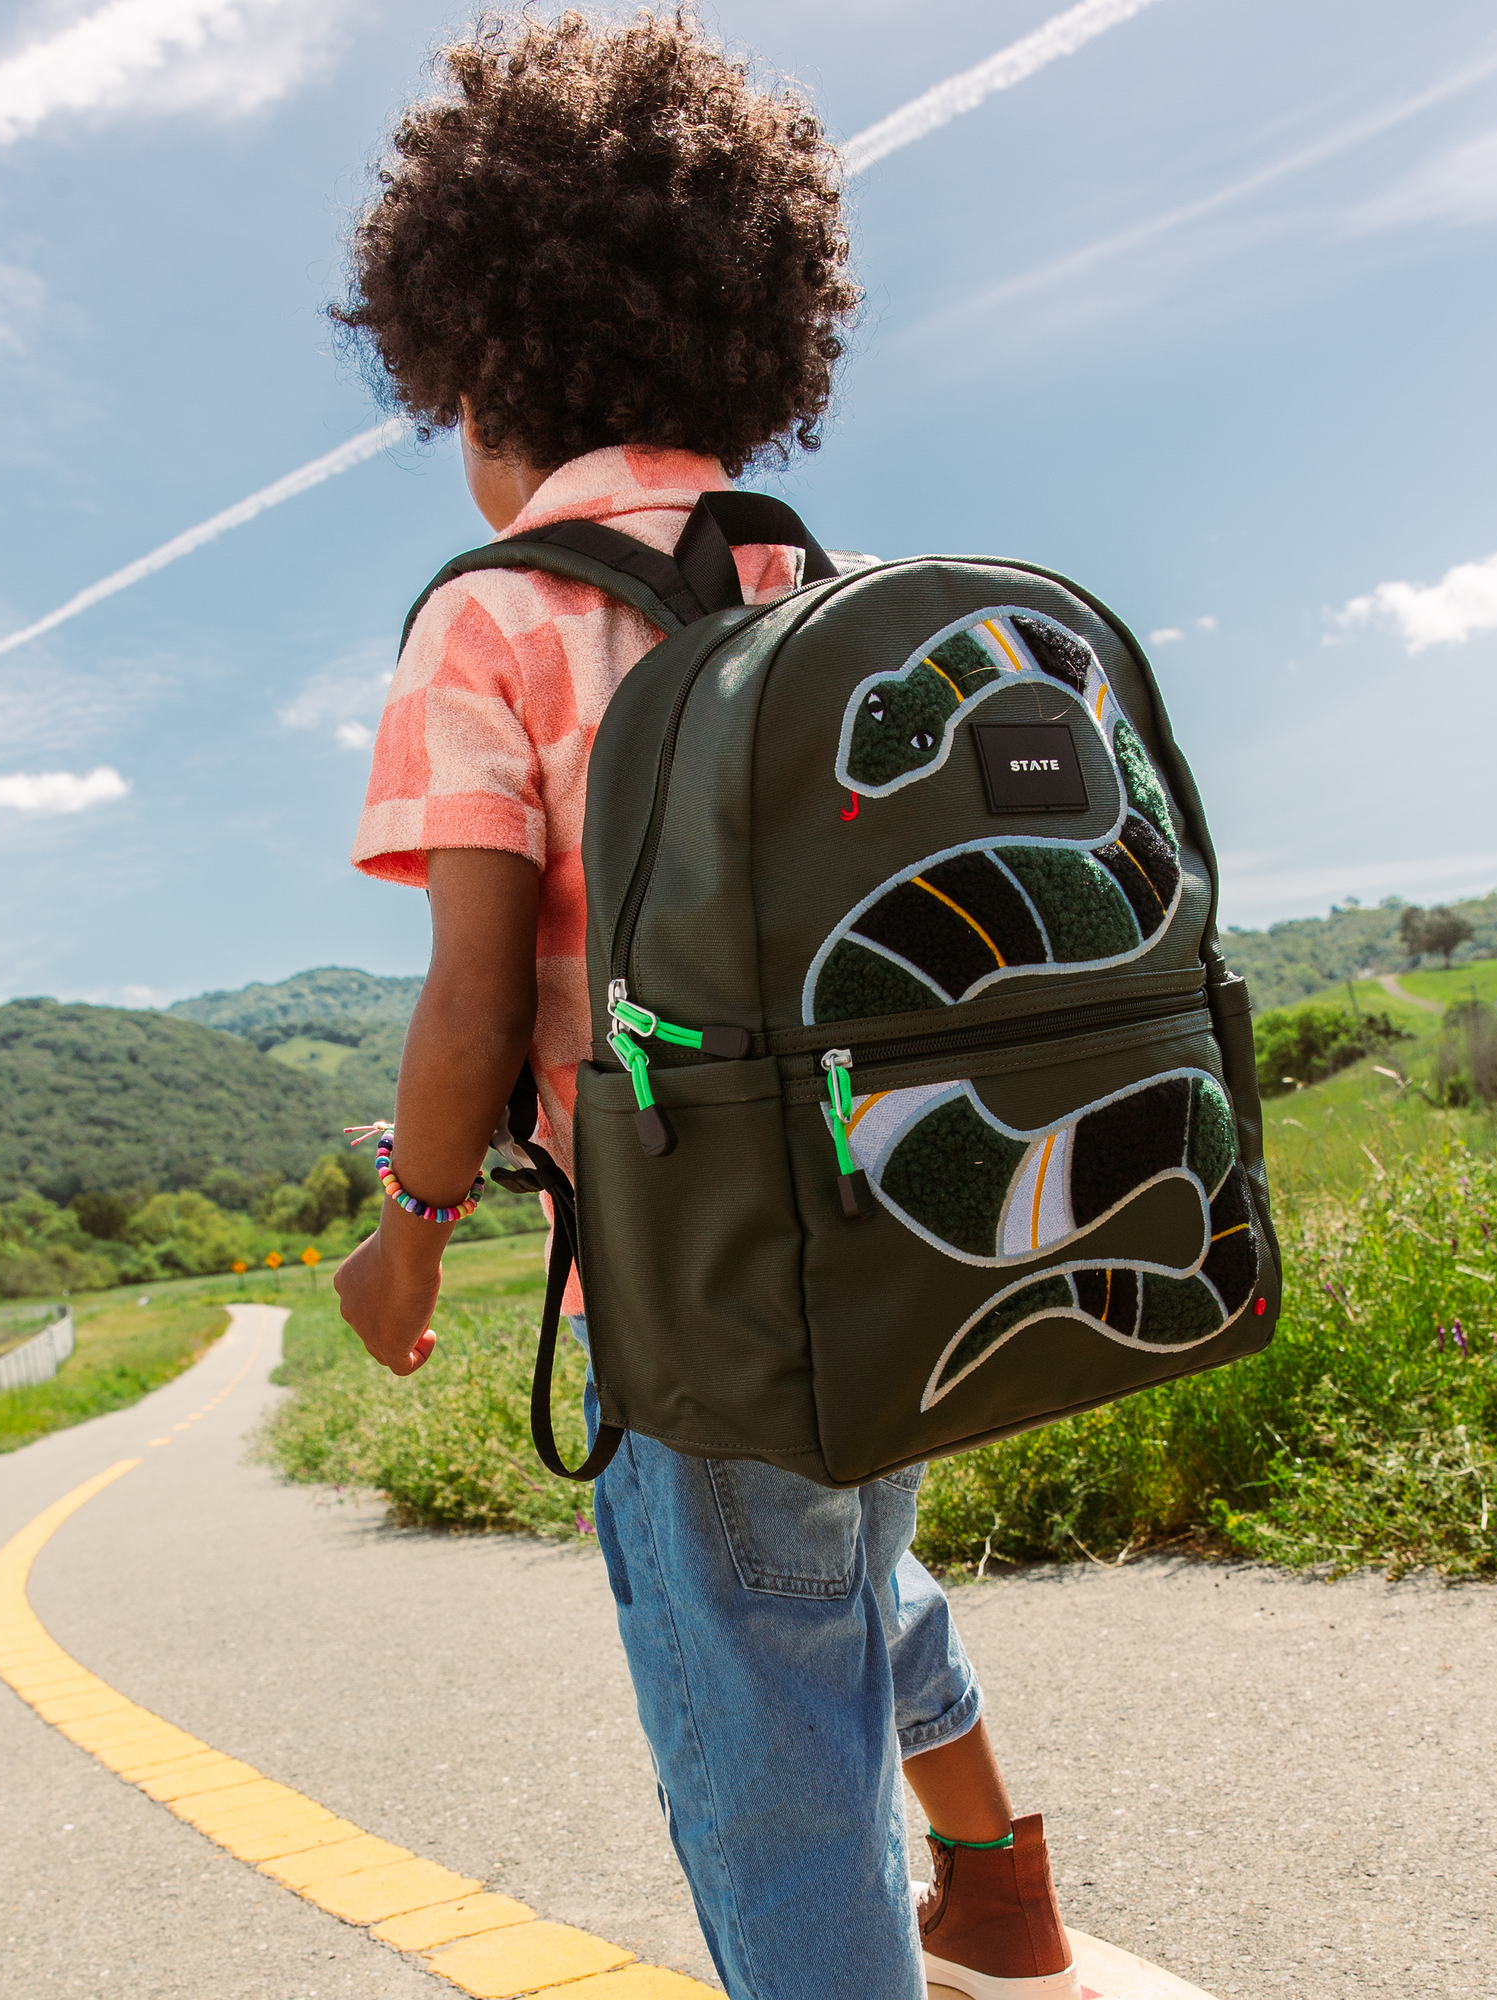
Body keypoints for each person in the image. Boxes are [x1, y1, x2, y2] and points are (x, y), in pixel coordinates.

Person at [332, 13, 1080, 1997]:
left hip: (688, 1286)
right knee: (832, 1571)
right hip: (895, 1230)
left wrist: (405, 1235)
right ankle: (998, 1878)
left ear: (471, 365)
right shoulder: (811, 581)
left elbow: (477, 993)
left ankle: (937, 1915)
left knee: (761, 1756)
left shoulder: (484, 612)